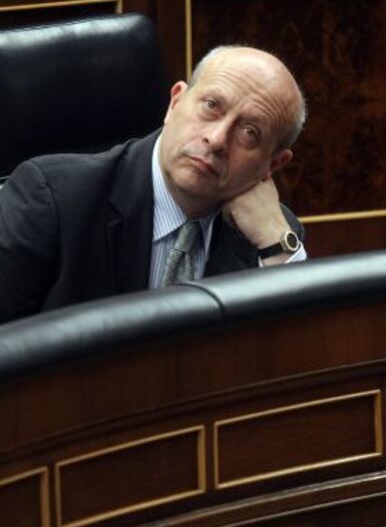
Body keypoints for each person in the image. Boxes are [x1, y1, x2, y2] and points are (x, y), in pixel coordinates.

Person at [0, 45, 307, 324]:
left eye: (250, 132)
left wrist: (277, 243)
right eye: (212, 106)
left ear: (273, 165)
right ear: (175, 103)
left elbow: (293, 363)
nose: (216, 140)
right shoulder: (52, 200)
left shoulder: (270, 238)